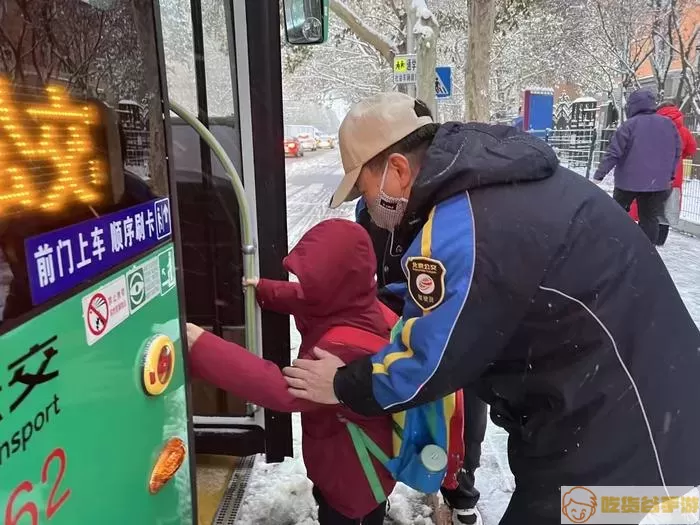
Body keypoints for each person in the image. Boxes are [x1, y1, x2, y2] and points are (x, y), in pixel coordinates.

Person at [282, 91, 700, 525]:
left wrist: (343, 385)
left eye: (364, 188)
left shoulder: (462, 224)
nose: (366, 204)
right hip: (627, 400)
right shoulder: (488, 187)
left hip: (620, 427)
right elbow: (472, 295)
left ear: (399, 170)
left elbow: (427, 362)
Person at [186, 218, 396, 524]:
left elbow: (281, 390)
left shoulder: (347, 348)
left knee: (346, 516)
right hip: (348, 460)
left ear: (334, 283)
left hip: (355, 479)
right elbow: (306, 297)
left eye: (314, 280)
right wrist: (264, 289)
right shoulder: (360, 303)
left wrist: (201, 346)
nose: (306, 286)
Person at [354, 100, 487, 525]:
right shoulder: (371, 211)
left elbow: (456, 308)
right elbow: (372, 271)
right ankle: (394, 478)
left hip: (453, 333)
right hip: (400, 321)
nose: (366, 199)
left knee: (460, 414)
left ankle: (459, 492)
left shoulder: (458, 214)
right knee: (404, 406)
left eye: (365, 185)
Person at [593, 89, 680, 244]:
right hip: (657, 183)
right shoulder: (668, 124)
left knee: (618, 213)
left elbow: (614, 152)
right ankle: (647, 251)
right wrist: (670, 175)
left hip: (628, 181)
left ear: (632, 106)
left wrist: (599, 174)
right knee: (649, 218)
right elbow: (676, 152)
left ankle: (615, 243)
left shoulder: (629, 126)